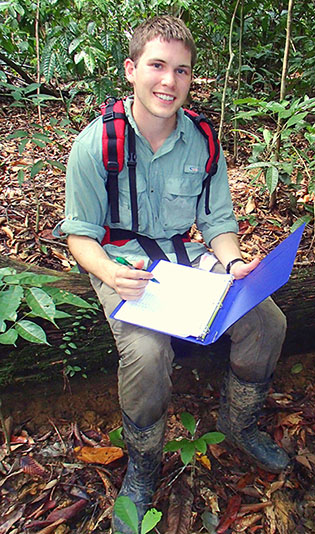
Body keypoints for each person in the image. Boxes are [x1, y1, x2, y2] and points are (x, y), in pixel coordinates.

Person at [54, 15, 288, 533]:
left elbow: (217, 222)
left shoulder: (203, 139)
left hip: (184, 255)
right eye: (157, 66)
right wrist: (111, 276)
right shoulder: (97, 145)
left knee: (265, 319)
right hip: (122, 263)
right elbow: (79, 236)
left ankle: (240, 423)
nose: (169, 81)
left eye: (181, 71)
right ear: (131, 70)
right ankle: (142, 467)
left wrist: (231, 262)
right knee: (147, 351)